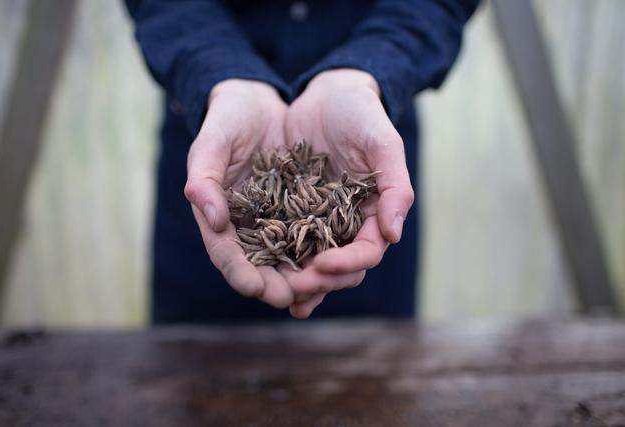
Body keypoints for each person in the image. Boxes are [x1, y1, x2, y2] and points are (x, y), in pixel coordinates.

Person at [125, 0, 479, 322]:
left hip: (362, 149)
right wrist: (216, 70)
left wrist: (375, 64)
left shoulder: (351, 186)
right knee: (195, 370)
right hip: (215, 143)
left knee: (368, 374)